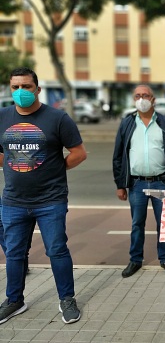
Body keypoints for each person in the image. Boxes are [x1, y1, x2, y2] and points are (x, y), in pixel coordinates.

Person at [0, 67, 87, 324]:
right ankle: (14, 300)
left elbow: (78, 153)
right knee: (14, 253)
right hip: (13, 201)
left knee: (57, 250)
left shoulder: (58, 119)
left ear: (37, 89)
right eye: (15, 87)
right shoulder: (2, 117)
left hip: (51, 200)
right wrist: (14, 164)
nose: (20, 92)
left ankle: (67, 300)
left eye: (26, 86)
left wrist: (56, 168)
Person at [113, 85, 165, 278]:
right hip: (136, 184)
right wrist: (120, 184)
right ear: (133, 99)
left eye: (145, 95)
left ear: (153, 99)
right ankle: (135, 259)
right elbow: (118, 156)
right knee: (137, 223)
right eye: (137, 95)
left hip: (162, 182)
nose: (141, 98)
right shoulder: (127, 123)